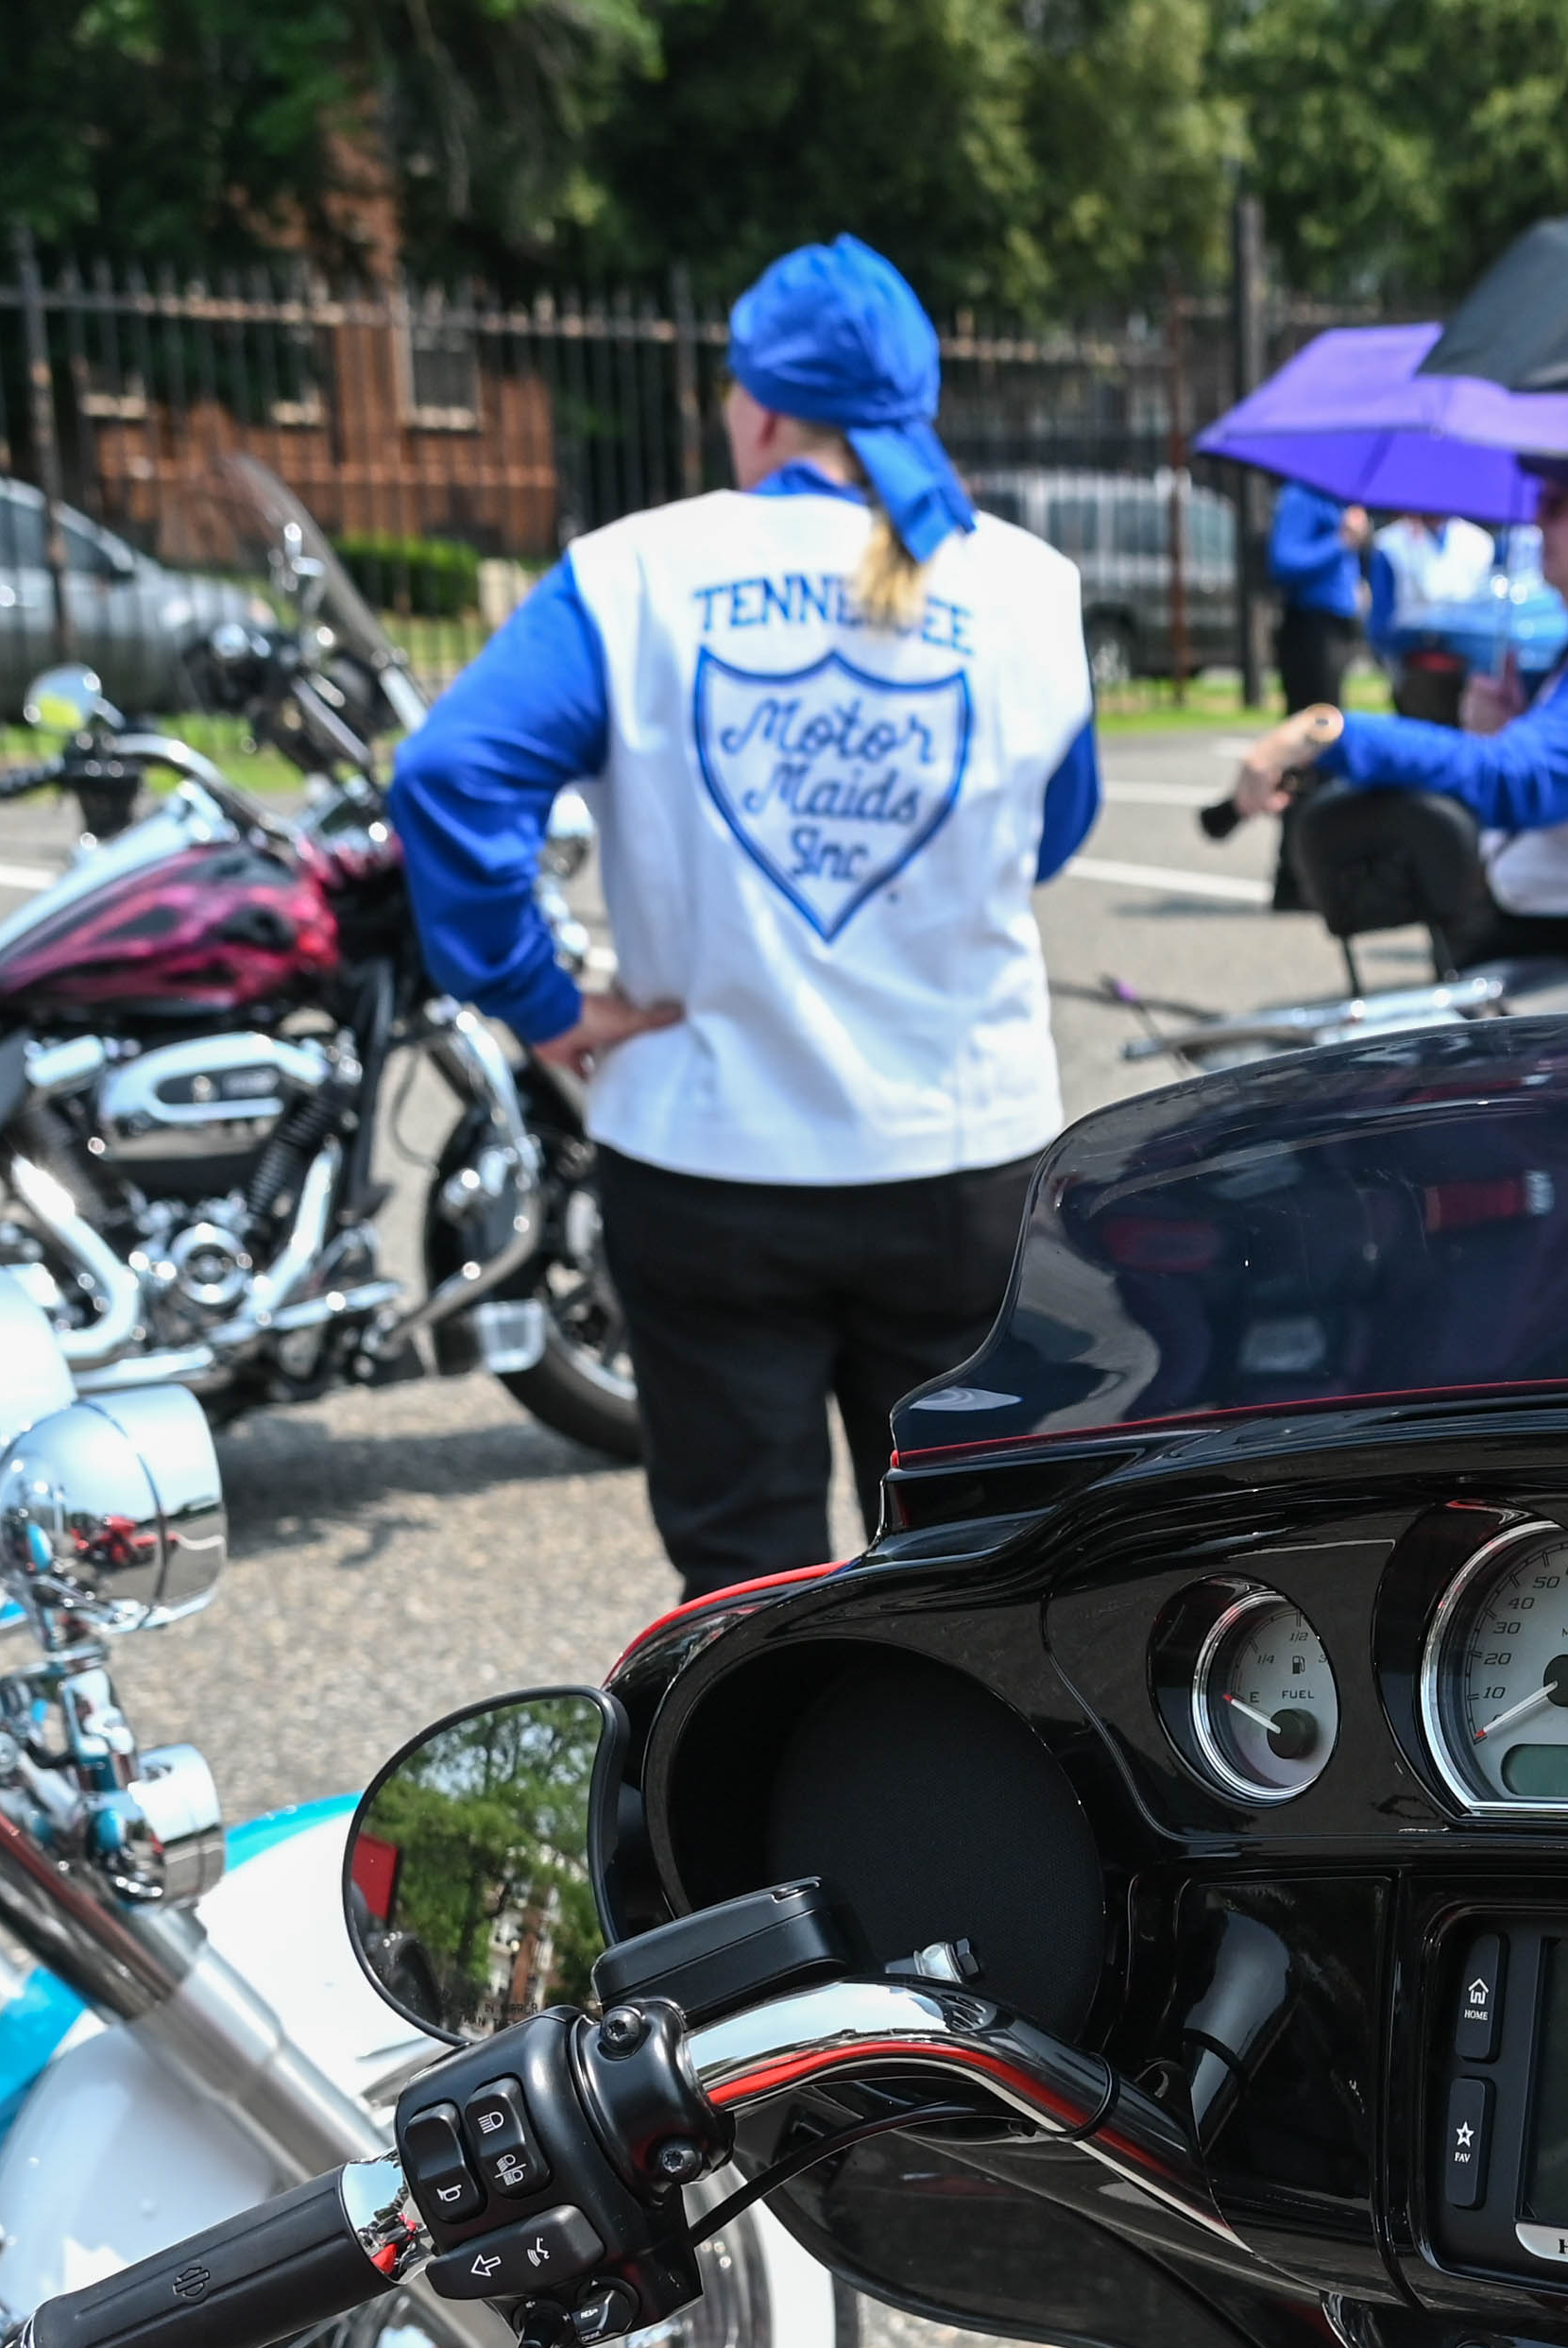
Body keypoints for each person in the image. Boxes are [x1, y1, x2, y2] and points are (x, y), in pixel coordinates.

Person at [392, 234, 1100, 1598]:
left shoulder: (632, 573)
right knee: (975, 1565)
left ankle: (750, 1803)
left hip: (707, 1161)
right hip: (961, 1155)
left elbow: (448, 774)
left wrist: (541, 1001)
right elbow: (1051, 831)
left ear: (761, 406)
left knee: (740, 1578)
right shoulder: (1027, 587)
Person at [1223, 459, 1568, 1003]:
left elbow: (1515, 779)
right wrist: (1523, 724)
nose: (1537, 519)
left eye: (1558, 504)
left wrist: (1328, 733)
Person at [1266, 482, 1369, 715]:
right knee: (1314, 722)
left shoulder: (1340, 500)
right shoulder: (1301, 497)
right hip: (1310, 623)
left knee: (1330, 717)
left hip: (1338, 622)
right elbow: (1284, 561)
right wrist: (1341, 541)